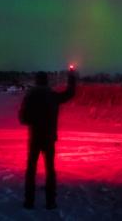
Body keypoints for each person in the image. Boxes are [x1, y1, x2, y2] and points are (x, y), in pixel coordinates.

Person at [18, 66, 77, 209]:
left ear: (37, 81)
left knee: (31, 169)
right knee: (50, 170)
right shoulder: (52, 96)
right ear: (46, 81)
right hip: (49, 138)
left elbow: (22, 118)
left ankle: (29, 201)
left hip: (35, 138)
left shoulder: (30, 96)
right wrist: (71, 76)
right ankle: (50, 202)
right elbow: (69, 94)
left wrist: (33, 120)